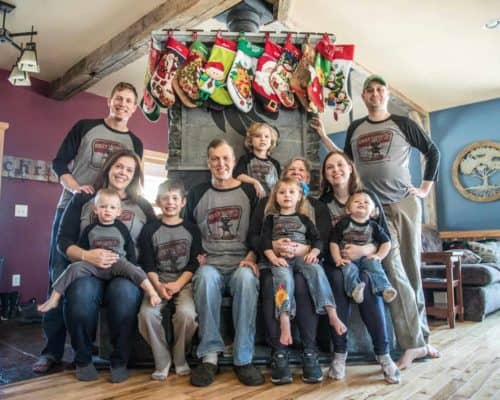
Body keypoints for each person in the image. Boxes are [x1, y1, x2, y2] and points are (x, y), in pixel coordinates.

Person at [313, 74, 441, 369]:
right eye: (368, 90)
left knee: (410, 270)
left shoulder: (403, 123)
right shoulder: (356, 128)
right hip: (371, 209)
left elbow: (432, 152)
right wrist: (322, 136)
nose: (374, 94)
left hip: (402, 203)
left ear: (386, 94)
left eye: (379, 89)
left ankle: (421, 339)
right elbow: (343, 162)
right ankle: (415, 342)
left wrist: (424, 189)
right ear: (364, 97)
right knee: (393, 270)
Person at [33, 82, 142, 373]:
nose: (122, 104)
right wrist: (77, 190)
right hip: (76, 210)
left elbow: (133, 177)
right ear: (110, 100)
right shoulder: (86, 127)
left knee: (101, 281)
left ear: (135, 108)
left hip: (113, 212)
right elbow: (59, 164)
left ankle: (92, 346)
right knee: (61, 276)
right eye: (118, 98)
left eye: (129, 101)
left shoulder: (135, 143)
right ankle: (51, 351)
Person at [57, 149, 156, 382]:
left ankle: (120, 360)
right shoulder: (83, 198)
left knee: (124, 296)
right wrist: (86, 255)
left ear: (135, 175)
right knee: (80, 296)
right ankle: (82, 358)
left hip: (124, 271)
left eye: (129, 169)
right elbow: (63, 242)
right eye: (118, 166)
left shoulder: (141, 205)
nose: (123, 172)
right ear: (109, 167)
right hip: (87, 268)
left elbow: (156, 239)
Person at [185, 138, 264, 387]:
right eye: (215, 159)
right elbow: (187, 230)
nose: (221, 163)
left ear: (233, 161)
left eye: (226, 158)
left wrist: (252, 257)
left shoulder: (250, 191)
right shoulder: (197, 193)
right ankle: (209, 357)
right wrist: (196, 257)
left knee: (247, 280)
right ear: (208, 163)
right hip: (210, 265)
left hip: (242, 262)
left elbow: (260, 230)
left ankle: (243, 358)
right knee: (206, 279)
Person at [317, 150, 401, 383]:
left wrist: (365, 251)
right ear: (325, 174)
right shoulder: (322, 204)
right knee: (336, 278)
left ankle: (384, 355)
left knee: (369, 282)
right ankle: (340, 354)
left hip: (367, 260)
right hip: (337, 261)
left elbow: (384, 237)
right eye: (330, 167)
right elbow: (324, 241)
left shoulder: (367, 197)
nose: (336, 170)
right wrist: (340, 257)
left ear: (350, 168)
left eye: (340, 165)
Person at [248, 157, 333, 385]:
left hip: (303, 260)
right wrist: (275, 249)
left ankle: (309, 350)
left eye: (301, 170)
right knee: (272, 284)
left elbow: (322, 240)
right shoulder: (267, 207)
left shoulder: (315, 207)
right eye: (291, 169)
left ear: (305, 180)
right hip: (275, 262)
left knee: (303, 283)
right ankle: (280, 352)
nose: (296, 173)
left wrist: (300, 249)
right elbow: (255, 237)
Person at [37, 188, 160, 313]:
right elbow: (82, 247)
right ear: (95, 209)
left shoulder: (121, 228)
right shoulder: (90, 229)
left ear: (118, 212)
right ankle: (53, 299)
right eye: (103, 206)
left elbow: (129, 247)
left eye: (112, 207)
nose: (107, 210)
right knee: (71, 269)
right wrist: (83, 259)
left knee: (136, 270)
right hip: (93, 265)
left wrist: (131, 264)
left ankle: (152, 293)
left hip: (117, 263)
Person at [261, 177, 346, 348]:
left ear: (299, 196)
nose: (287, 196)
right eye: (282, 192)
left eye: (292, 192)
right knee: (282, 280)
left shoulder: (304, 219)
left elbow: (317, 240)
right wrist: (274, 258)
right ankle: (284, 318)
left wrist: (313, 253)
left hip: (302, 257)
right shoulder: (271, 219)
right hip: (281, 259)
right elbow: (264, 242)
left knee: (316, 271)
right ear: (275, 196)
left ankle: (331, 311)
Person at [137, 180, 202, 381]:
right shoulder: (149, 230)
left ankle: (180, 356)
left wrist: (178, 285)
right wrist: (158, 287)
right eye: (165, 198)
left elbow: (193, 262)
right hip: (157, 282)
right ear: (158, 201)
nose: (170, 202)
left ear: (183, 202)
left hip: (184, 281)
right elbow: (147, 264)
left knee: (187, 314)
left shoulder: (193, 229)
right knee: (146, 314)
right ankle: (162, 358)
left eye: (175, 198)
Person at [329, 191, 397, 304]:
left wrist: (379, 256)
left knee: (375, 267)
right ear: (348, 209)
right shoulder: (343, 223)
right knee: (348, 270)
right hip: (348, 259)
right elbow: (333, 242)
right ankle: (355, 290)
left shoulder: (374, 226)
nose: (361, 203)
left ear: (372, 211)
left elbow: (386, 242)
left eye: (366, 202)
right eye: (357, 202)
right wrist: (338, 259)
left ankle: (385, 289)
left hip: (367, 258)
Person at [233, 122, 281, 198]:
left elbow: (280, 184)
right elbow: (237, 175)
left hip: (271, 201)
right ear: (250, 141)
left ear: (271, 141)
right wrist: (255, 182)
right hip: (251, 199)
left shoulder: (275, 163)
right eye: (258, 136)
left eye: (266, 136)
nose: (262, 139)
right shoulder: (246, 159)